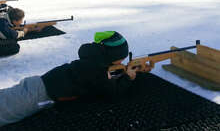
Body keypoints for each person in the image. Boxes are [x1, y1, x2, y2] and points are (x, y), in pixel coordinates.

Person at [0, 31, 149, 127]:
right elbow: (112, 94)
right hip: (38, 95)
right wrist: (128, 78)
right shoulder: (97, 70)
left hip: (37, 84)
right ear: (111, 57)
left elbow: (100, 79)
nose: (122, 61)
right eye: (121, 58)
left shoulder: (92, 60)